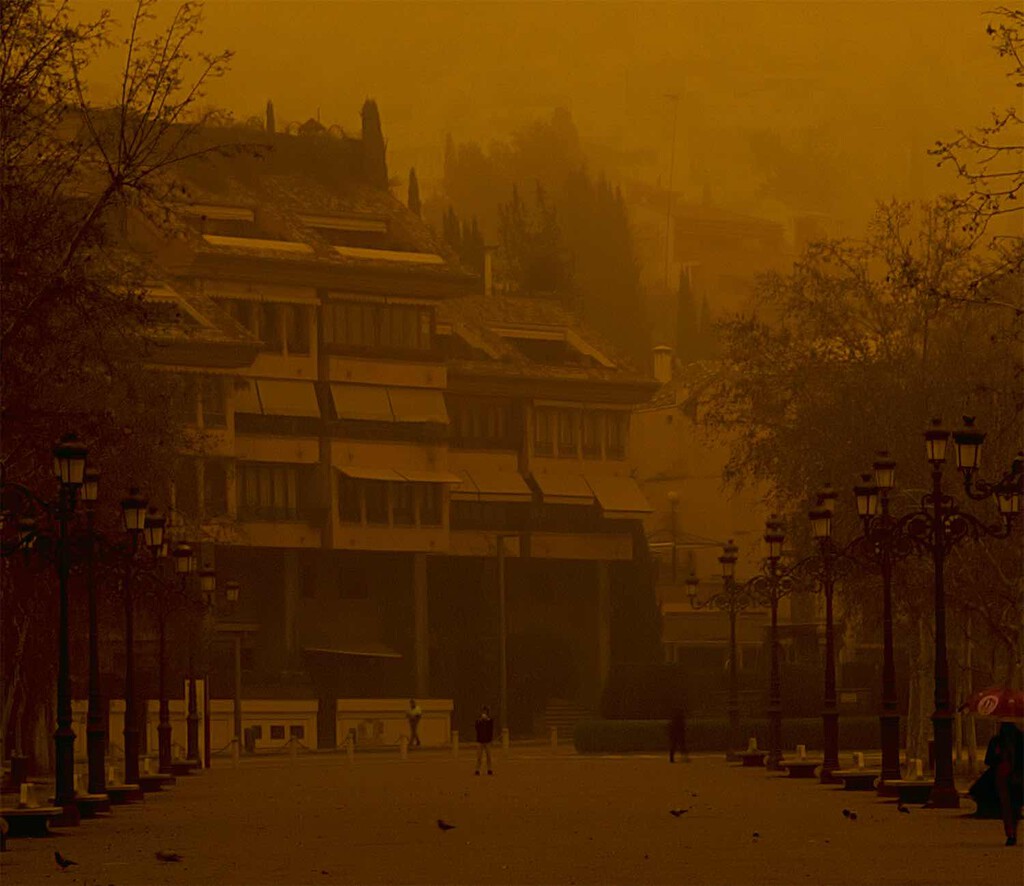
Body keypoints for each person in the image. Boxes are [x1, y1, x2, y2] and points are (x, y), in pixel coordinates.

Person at [990, 721, 1023, 846]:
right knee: (1014, 806)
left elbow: (989, 760)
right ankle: (1012, 831)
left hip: (1004, 776)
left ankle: (1010, 832)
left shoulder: (997, 741)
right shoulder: (1020, 739)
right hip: (1016, 776)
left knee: (1007, 807)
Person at [474, 706, 494, 775]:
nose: (484, 713)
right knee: (479, 756)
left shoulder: (490, 721)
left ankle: (489, 769)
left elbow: (491, 729)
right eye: (483, 712)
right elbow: (476, 728)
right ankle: (477, 769)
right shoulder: (478, 721)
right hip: (480, 741)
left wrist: (487, 720)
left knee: (489, 756)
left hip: (487, 741)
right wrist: (480, 721)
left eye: (485, 712)